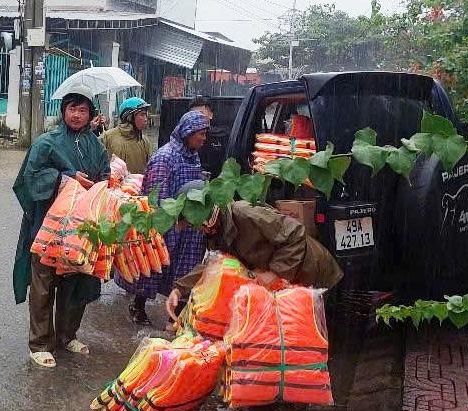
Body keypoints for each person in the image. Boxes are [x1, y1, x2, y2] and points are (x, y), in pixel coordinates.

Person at [13, 91, 111, 368]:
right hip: (48, 227)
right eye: (71, 109)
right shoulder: (46, 143)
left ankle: (67, 335)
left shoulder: (97, 146)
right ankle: (40, 343)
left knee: (75, 283)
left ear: (90, 114)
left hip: (81, 231)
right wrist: (64, 178)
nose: (77, 115)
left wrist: (103, 185)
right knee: (44, 285)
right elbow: (29, 178)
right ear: (63, 112)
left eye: (82, 110)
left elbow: (104, 174)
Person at [165, 192, 343, 322]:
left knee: (307, 336)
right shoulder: (217, 231)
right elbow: (215, 264)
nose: (196, 229)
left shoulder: (244, 213)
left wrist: (276, 272)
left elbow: (295, 233)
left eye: (194, 223)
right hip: (286, 283)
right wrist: (179, 289)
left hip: (311, 271)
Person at [115, 110, 211, 326]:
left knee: (186, 269)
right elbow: (154, 194)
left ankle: (175, 316)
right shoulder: (164, 158)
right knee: (155, 267)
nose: (204, 139)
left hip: (190, 226)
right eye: (201, 134)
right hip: (168, 223)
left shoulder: (192, 155)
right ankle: (138, 304)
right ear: (188, 132)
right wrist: (171, 221)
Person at [100, 96, 153, 174]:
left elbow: (150, 169)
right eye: (142, 115)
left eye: (146, 115)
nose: (145, 119)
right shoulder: (107, 137)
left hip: (137, 185)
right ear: (129, 117)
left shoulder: (144, 141)